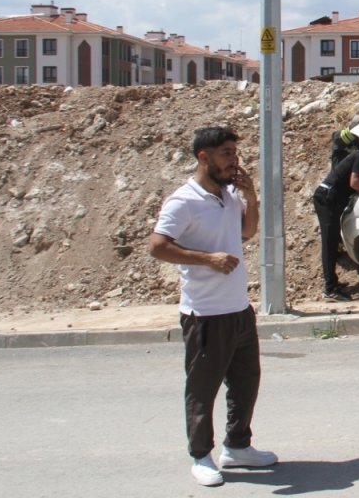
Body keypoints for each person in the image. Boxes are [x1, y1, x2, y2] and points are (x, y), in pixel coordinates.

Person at [149, 126, 278, 486]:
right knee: (202, 389)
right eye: (225, 152)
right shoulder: (183, 200)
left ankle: (237, 446)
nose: (233, 159)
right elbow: (157, 246)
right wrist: (207, 259)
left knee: (245, 381)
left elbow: (247, 232)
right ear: (203, 157)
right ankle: (201, 456)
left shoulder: (229, 194)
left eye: (235, 152)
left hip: (238, 309)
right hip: (204, 314)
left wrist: (251, 197)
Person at [313, 145, 359, 301]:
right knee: (329, 243)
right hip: (327, 199)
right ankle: (330, 289)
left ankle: (333, 284)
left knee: (332, 242)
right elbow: (355, 183)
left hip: (330, 198)